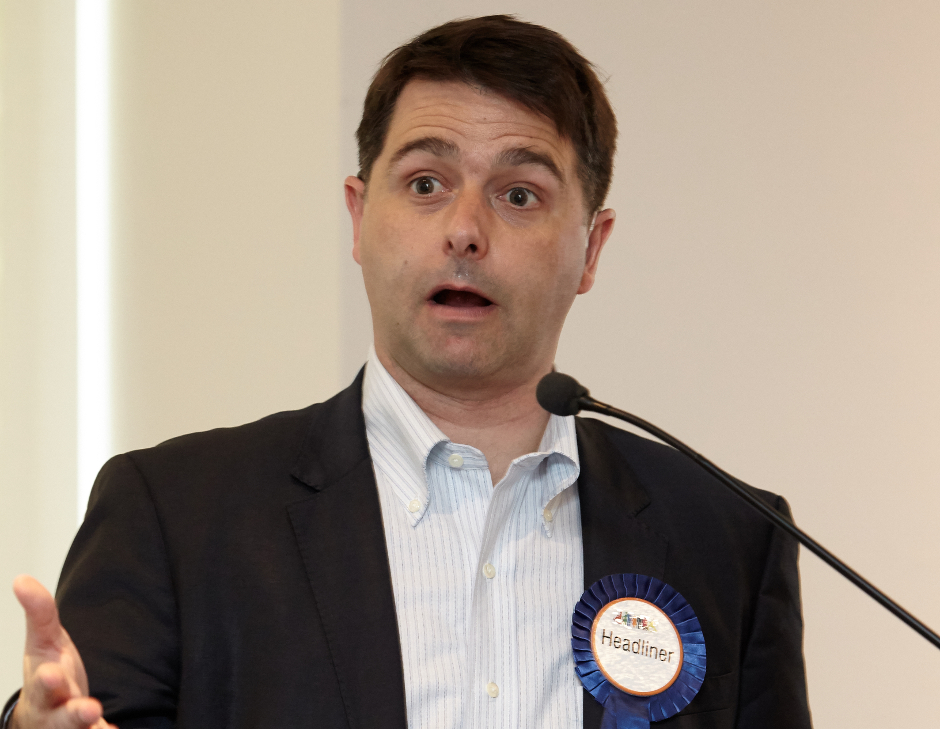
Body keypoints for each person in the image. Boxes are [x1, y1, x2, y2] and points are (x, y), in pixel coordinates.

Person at [6, 15, 812, 729]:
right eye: (426, 183)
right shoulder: (177, 515)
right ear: (360, 217)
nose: (465, 230)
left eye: (519, 194)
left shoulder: (729, 538)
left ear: (591, 249)